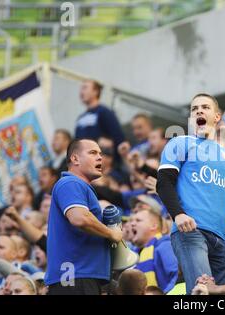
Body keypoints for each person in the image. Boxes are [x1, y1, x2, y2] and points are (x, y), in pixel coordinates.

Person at [156, 93, 225, 294]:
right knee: (203, 292)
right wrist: (178, 214)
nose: (199, 110)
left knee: (218, 295)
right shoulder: (179, 143)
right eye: (194, 108)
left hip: (220, 238)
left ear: (217, 117)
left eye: (205, 107)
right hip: (191, 231)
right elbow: (163, 183)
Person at [45, 139, 122, 295]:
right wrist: (111, 233)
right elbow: (79, 218)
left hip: (78, 278)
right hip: (75, 279)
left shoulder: (78, 186)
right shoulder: (70, 182)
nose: (100, 157)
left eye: (100, 153)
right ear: (75, 159)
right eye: (93, 153)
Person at [130, 207, 178, 293]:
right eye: (132, 221)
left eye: (138, 220)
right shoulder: (134, 255)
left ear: (154, 226)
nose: (132, 224)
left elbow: (177, 276)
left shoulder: (165, 245)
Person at [74, 80, 125, 153]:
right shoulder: (80, 118)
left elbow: (118, 139)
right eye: (81, 88)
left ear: (96, 91)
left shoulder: (104, 112)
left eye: (85, 88)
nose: (81, 92)